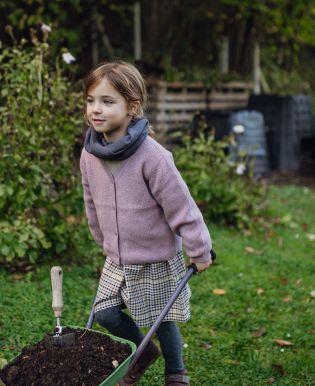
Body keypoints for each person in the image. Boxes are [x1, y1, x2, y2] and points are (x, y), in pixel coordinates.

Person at [80, 60, 213, 386]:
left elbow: (182, 207)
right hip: (118, 257)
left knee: (162, 319)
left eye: (107, 101)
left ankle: (176, 371)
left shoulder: (153, 157)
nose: (96, 109)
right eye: (90, 100)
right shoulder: (90, 153)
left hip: (154, 256)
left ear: (132, 107)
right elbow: (91, 201)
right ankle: (142, 351)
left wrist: (199, 248)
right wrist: (102, 240)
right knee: (106, 313)